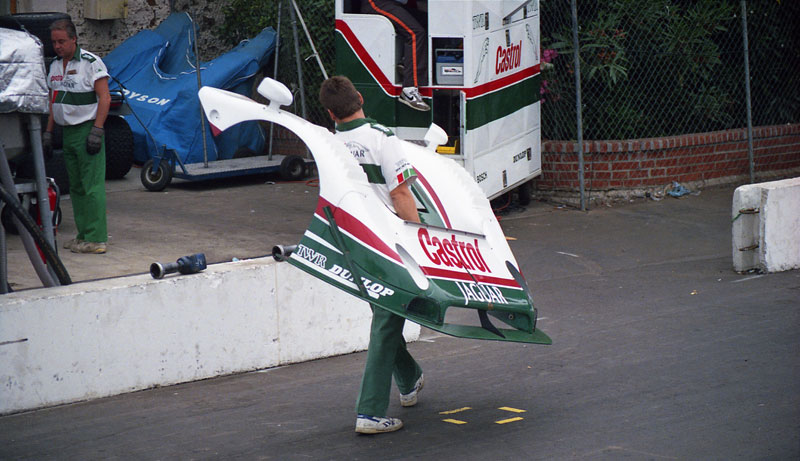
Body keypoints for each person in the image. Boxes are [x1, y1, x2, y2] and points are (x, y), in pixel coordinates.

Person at [319, 76, 425, 434]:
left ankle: (409, 379)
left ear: (331, 113)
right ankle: (369, 411)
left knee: (386, 314)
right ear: (361, 98)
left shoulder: (329, 146)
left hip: (351, 241)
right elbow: (401, 194)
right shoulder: (383, 138)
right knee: (387, 320)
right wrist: (418, 237)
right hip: (388, 239)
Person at [44, 18, 110, 254]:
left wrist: (97, 130)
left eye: (62, 41)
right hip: (67, 131)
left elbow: (105, 97)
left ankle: (97, 237)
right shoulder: (54, 65)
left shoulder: (91, 63)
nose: (58, 46)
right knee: (77, 187)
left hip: (86, 129)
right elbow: (54, 101)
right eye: (54, 42)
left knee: (92, 186)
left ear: (74, 39)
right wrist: (48, 133)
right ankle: (84, 236)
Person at [361, 0, 430, 111]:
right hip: (376, 2)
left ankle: (406, 64)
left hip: (394, 2)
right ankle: (409, 90)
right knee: (415, 33)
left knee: (429, 21)